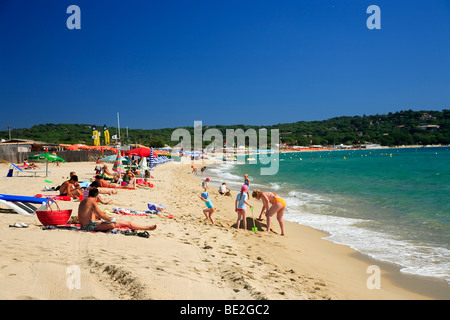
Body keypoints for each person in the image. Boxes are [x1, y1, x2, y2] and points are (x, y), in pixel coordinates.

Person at [78, 188, 157, 232]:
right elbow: (100, 214)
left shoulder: (84, 201)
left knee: (126, 223)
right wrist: (110, 219)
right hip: (88, 226)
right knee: (113, 224)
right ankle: (147, 227)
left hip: (87, 224)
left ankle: (147, 227)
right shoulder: (92, 202)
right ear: (97, 196)